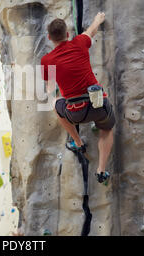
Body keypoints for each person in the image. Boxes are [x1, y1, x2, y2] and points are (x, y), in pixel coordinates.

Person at [41, 13, 115, 184]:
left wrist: (56, 97)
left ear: (49, 38)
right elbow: (91, 31)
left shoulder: (47, 60)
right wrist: (98, 20)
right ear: (67, 34)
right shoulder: (80, 42)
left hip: (75, 113)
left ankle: (77, 142)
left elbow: (50, 88)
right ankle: (101, 170)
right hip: (98, 106)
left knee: (56, 104)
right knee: (107, 130)